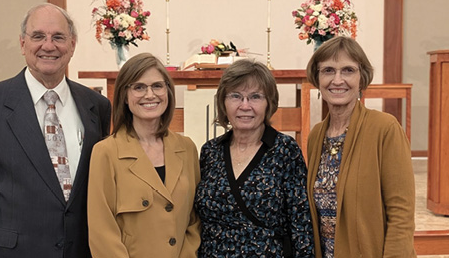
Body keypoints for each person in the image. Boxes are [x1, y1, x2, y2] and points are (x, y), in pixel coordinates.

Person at [0, 3, 111, 258]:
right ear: (23, 44)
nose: (48, 46)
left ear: (72, 45)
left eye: (58, 37)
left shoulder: (97, 107)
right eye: (38, 36)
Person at [306, 36, 416, 257]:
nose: (337, 80)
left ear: (361, 79)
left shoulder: (385, 128)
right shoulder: (316, 135)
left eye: (348, 70)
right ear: (317, 79)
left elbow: (401, 213)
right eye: (328, 70)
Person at [194, 59, 315, 257]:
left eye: (255, 97)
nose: (245, 106)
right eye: (235, 96)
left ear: (269, 103)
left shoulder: (285, 150)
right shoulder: (211, 151)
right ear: (223, 102)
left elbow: (302, 226)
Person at [87, 53, 201, 258]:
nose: (150, 95)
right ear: (125, 95)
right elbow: (102, 231)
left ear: (168, 91)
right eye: (139, 87)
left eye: (157, 86)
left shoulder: (187, 148)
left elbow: (194, 220)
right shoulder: (106, 152)